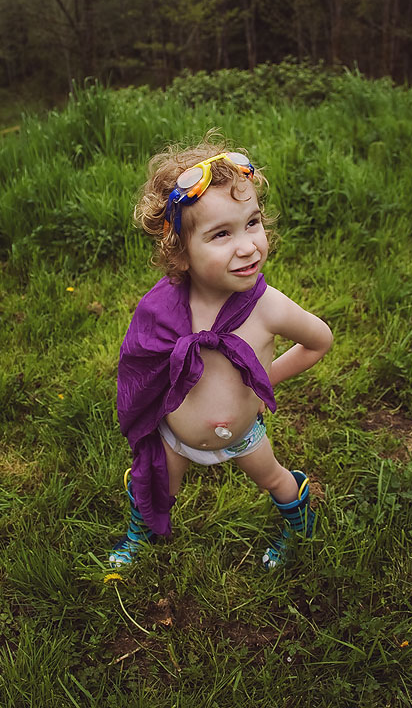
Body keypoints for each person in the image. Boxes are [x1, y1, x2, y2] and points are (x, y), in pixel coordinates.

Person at [111, 137, 333, 571]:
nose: (248, 245)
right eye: (221, 234)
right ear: (180, 251)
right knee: (157, 485)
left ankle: (298, 523)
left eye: (252, 223)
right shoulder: (164, 307)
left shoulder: (268, 308)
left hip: (244, 435)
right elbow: (142, 362)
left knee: (275, 479)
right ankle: (143, 530)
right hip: (175, 436)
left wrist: (266, 378)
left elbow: (319, 340)